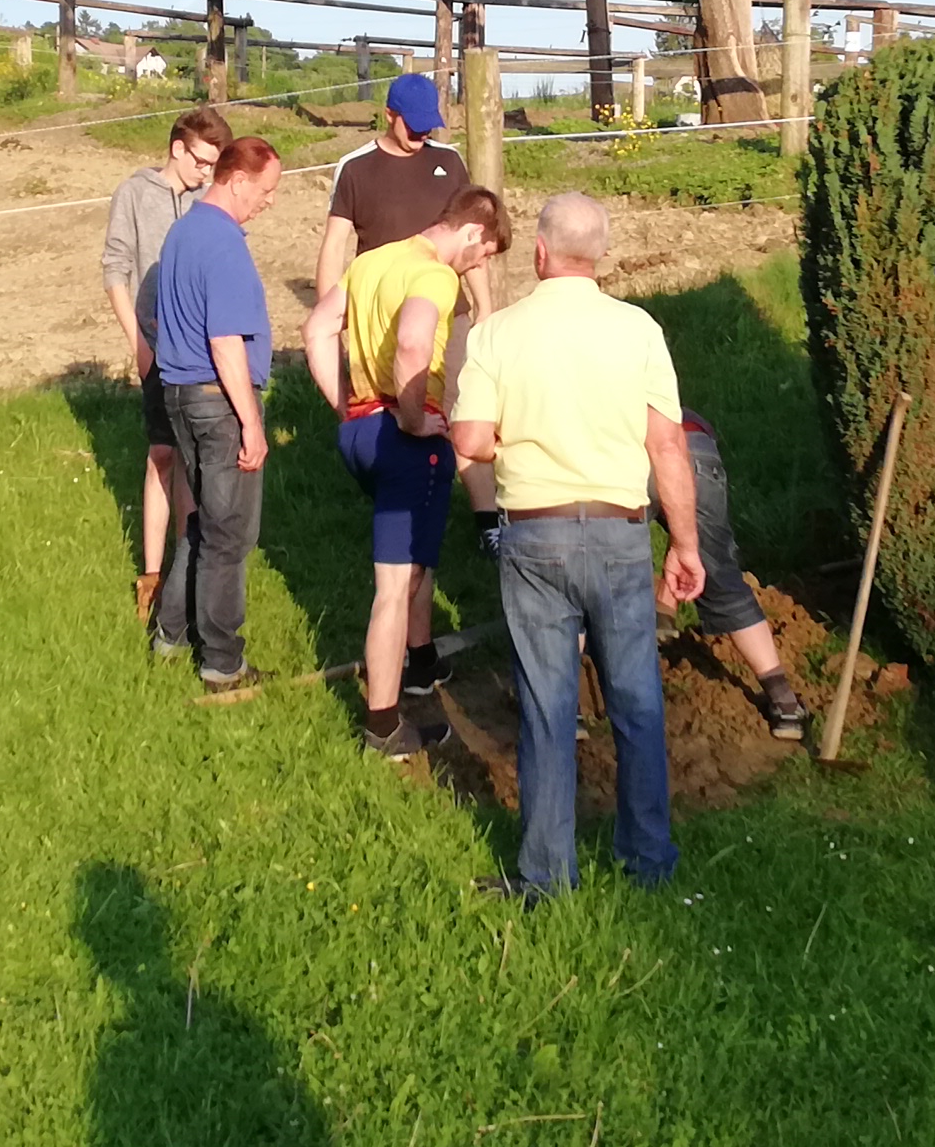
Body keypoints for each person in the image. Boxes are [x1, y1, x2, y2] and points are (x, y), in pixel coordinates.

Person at [448, 191, 702, 900]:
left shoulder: (497, 334)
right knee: (636, 701)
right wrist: (684, 543)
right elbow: (667, 446)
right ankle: (649, 861)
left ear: (538, 251)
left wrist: (518, 436)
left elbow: (469, 439)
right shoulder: (639, 330)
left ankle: (546, 874)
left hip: (536, 532)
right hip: (621, 532)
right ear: (601, 255)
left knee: (546, 705)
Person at [301, 185, 511, 759]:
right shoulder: (435, 274)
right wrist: (415, 420)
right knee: (393, 588)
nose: (478, 267)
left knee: (417, 562)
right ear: (472, 232)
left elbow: (316, 330)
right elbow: (415, 344)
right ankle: (383, 727)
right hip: (405, 439)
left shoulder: (372, 262)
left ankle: (420, 663)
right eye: (484, 254)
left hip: (361, 433)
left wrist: (346, 405)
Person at [318, 71, 504, 544]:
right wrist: (332, 314)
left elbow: (470, 238)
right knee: (398, 413)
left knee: (463, 408)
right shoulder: (356, 169)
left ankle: (487, 520)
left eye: (428, 124)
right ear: (389, 115)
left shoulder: (448, 161)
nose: (421, 134)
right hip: (385, 315)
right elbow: (335, 245)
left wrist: (484, 309)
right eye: (412, 124)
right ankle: (403, 509)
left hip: (447, 314)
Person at [146, 136, 286, 691]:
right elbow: (226, 342)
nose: (270, 200)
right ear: (238, 179)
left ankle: (171, 634)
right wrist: (251, 422)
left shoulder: (182, 232)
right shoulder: (224, 243)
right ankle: (223, 663)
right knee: (230, 536)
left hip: (179, 393)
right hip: (218, 402)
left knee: (205, 523)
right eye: (266, 189)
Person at [100, 106, 231, 621]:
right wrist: (138, 341)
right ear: (177, 148)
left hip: (199, 348)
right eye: (201, 161)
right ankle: (152, 577)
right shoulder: (134, 194)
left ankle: (188, 567)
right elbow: (116, 269)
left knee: (194, 457)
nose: (205, 172)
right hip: (155, 343)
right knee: (162, 453)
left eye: (213, 165)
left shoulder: (208, 200)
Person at [679, 412, 812, 741]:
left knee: (590, 572)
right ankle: (784, 703)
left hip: (624, 456)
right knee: (722, 578)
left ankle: (571, 711)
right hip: (695, 447)